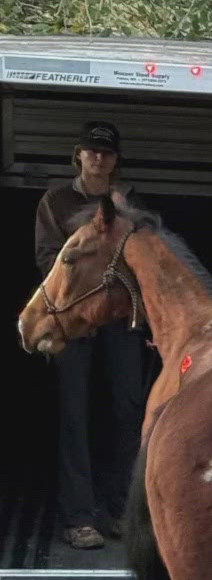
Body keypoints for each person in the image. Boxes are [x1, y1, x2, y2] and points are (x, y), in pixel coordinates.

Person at [32, 120, 149, 551]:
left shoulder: (131, 202)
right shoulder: (56, 200)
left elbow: (149, 259)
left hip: (120, 319)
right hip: (76, 319)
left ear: (116, 160)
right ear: (78, 155)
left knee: (129, 407)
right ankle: (79, 516)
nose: (99, 158)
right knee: (74, 412)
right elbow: (47, 259)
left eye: (107, 153)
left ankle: (120, 509)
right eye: (91, 151)